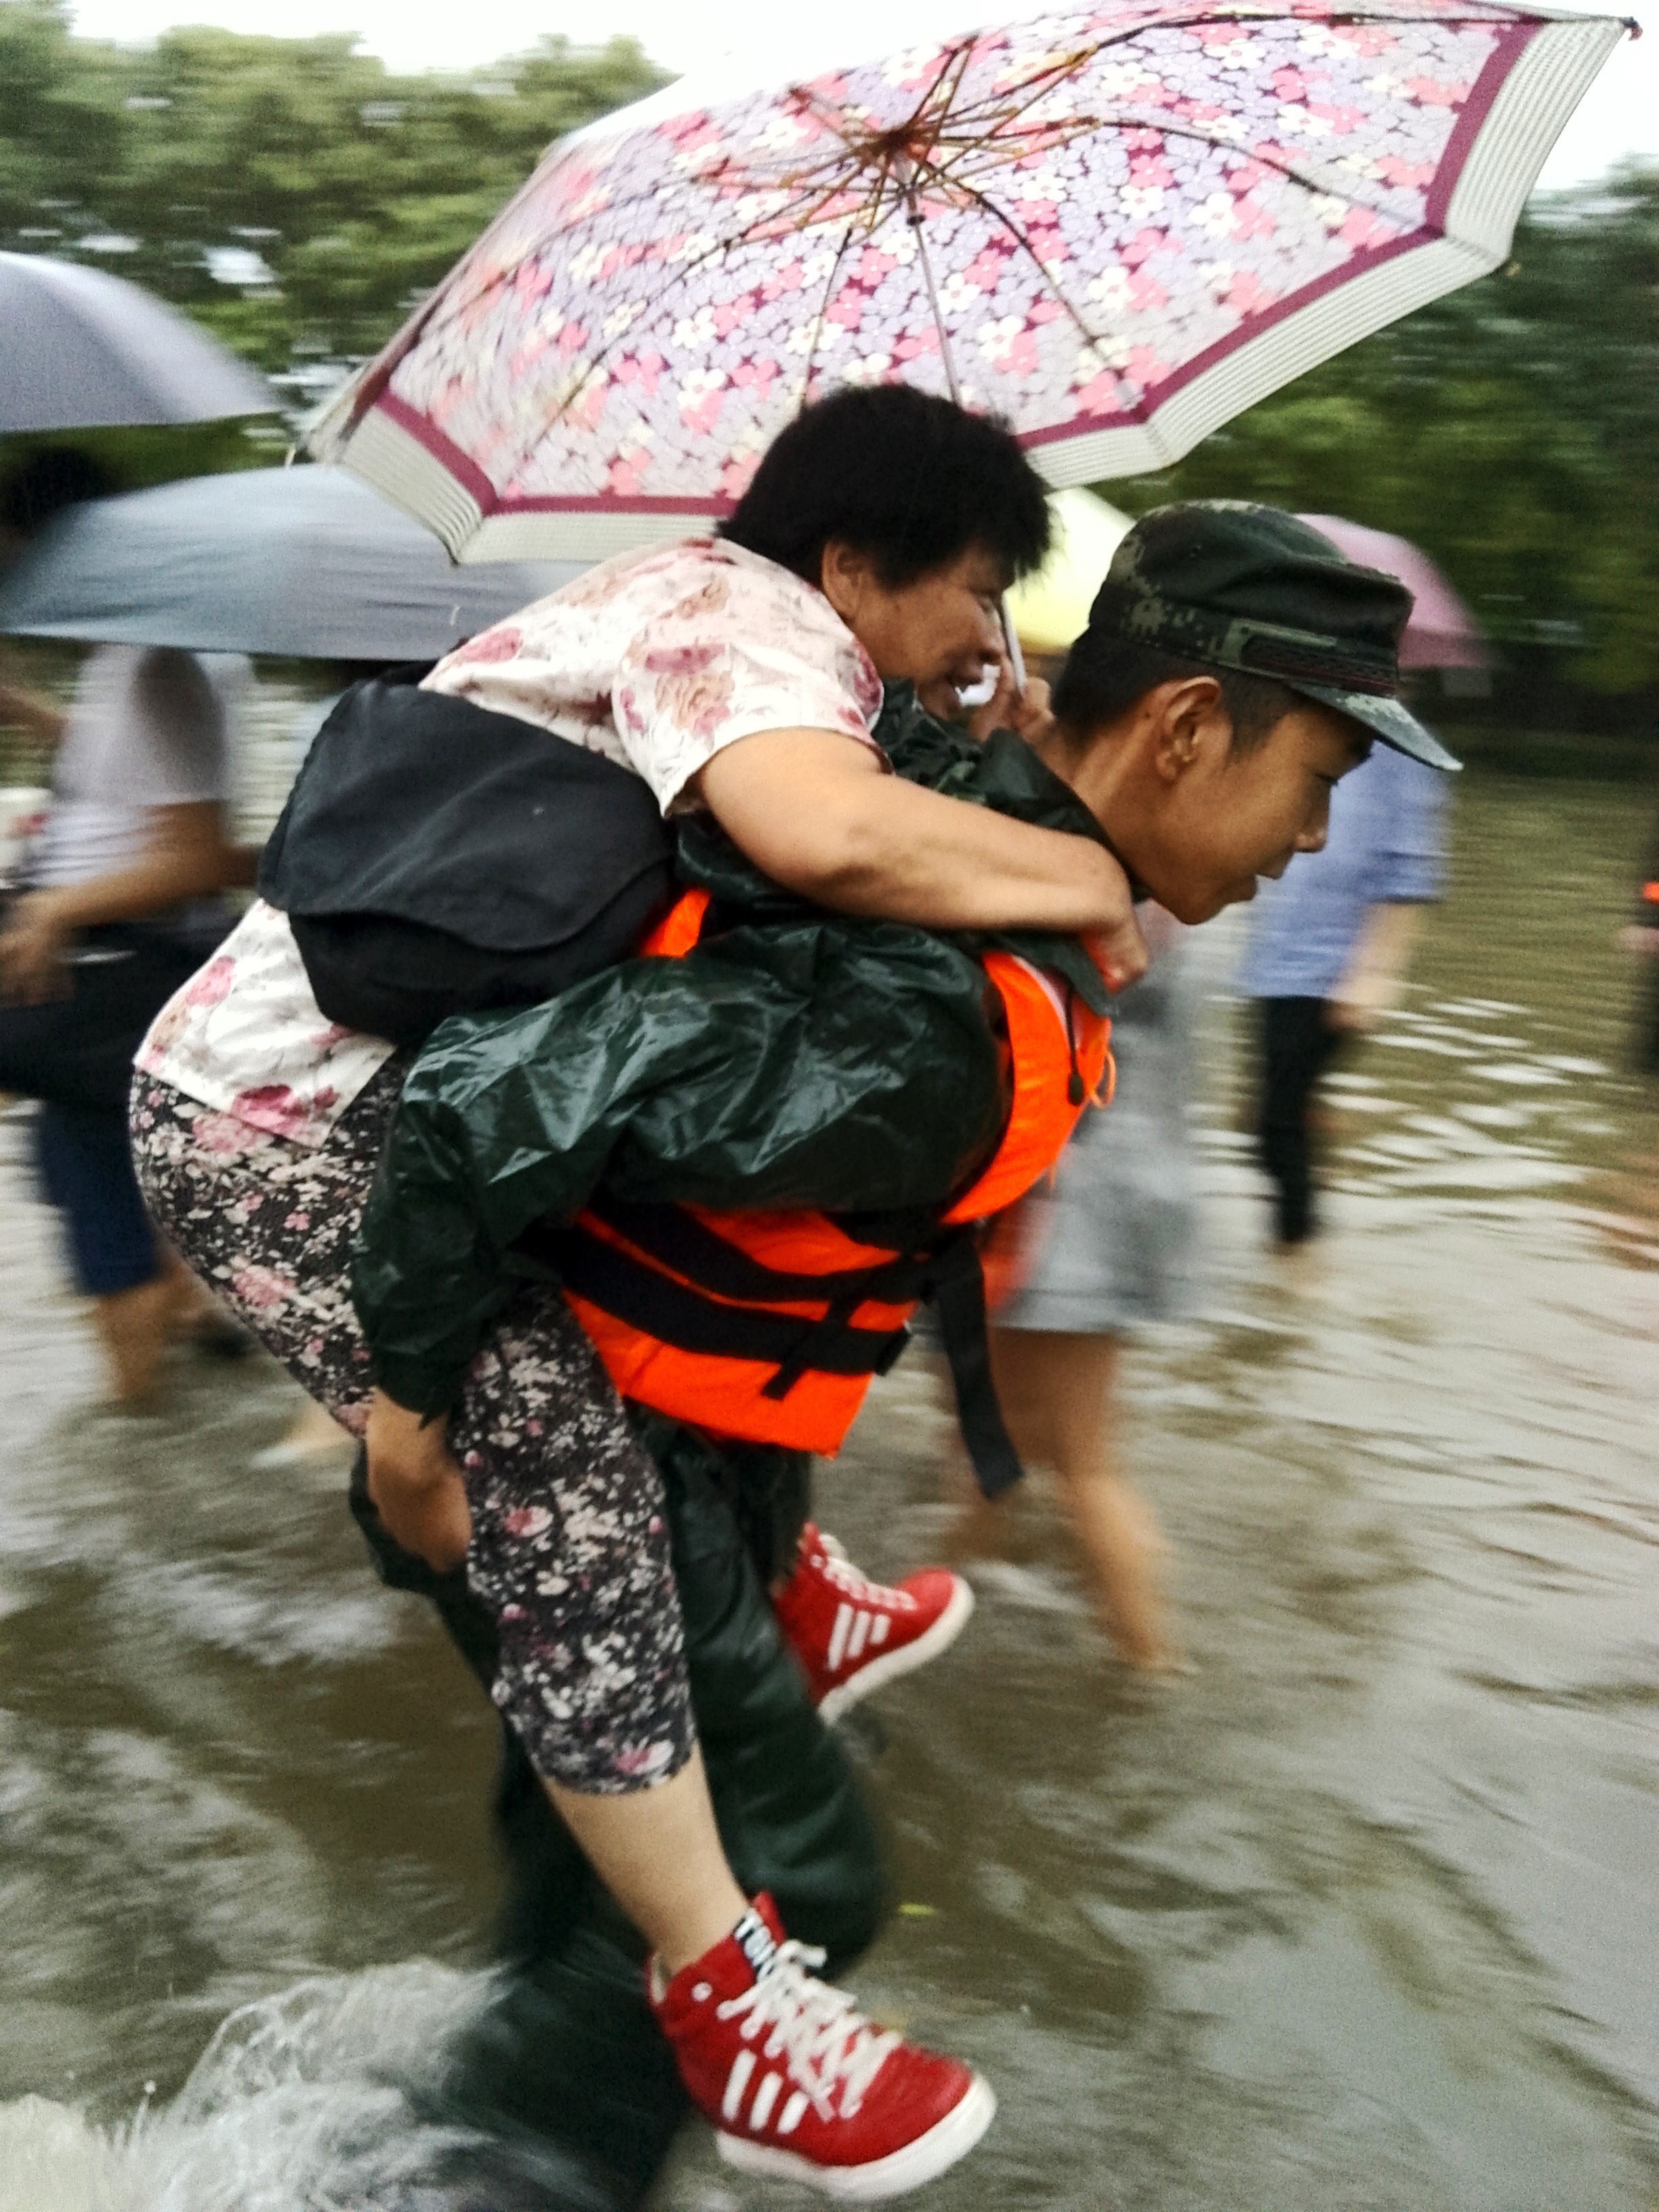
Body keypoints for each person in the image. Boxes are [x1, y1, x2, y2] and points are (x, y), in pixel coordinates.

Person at [0, 642, 252, 1400]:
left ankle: (137, 1429)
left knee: (100, 1213)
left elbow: (199, 856)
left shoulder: (162, 665)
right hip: (101, 974)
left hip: (109, 975)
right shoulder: (138, 656)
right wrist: (26, 711)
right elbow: (134, 769)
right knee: (89, 1174)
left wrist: (55, 905)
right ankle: (190, 1314)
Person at [961, 901, 1201, 1668]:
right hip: (1103, 1183)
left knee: (1085, 1465)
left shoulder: (1107, 881)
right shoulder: (1178, 866)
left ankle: (1154, 1667)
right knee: (990, 1436)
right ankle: (951, 1593)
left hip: (1072, 1196)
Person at [1237, 729, 1450, 1247]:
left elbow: (1411, 868)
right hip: (1274, 957)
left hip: (1333, 968)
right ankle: (1303, 1223)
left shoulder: (1404, 752)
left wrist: (1376, 972)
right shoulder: (1303, 733)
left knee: (1276, 1125)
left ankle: (1298, 1267)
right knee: (1268, 1121)